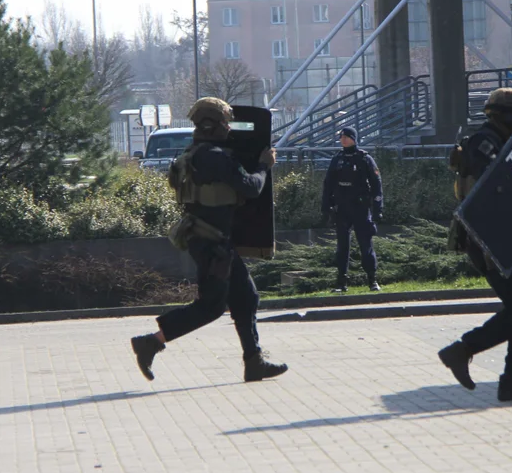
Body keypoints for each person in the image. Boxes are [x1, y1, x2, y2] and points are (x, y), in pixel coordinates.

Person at [130, 97, 288, 383]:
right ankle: (151, 342)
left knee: (246, 297)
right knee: (212, 306)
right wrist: (264, 165)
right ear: (212, 125)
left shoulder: (194, 153)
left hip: (208, 239)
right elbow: (251, 188)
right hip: (211, 243)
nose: (229, 129)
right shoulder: (215, 157)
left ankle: (254, 362)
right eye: (226, 123)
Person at [437, 87, 512, 402]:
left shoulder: (502, 142)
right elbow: (495, 187)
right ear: (509, 116)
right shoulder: (485, 143)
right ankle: (464, 351)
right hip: (486, 236)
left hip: (503, 234)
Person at [321, 126, 383, 292]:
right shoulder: (337, 159)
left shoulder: (365, 158)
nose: (343, 140)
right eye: (341, 137)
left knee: (366, 245)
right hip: (342, 209)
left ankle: (372, 280)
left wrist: (378, 208)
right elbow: (328, 184)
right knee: (342, 248)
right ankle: (341, 283)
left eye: (346, 137)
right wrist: (325, 206)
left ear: (354, 139)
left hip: (360, 208)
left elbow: (377, 184)